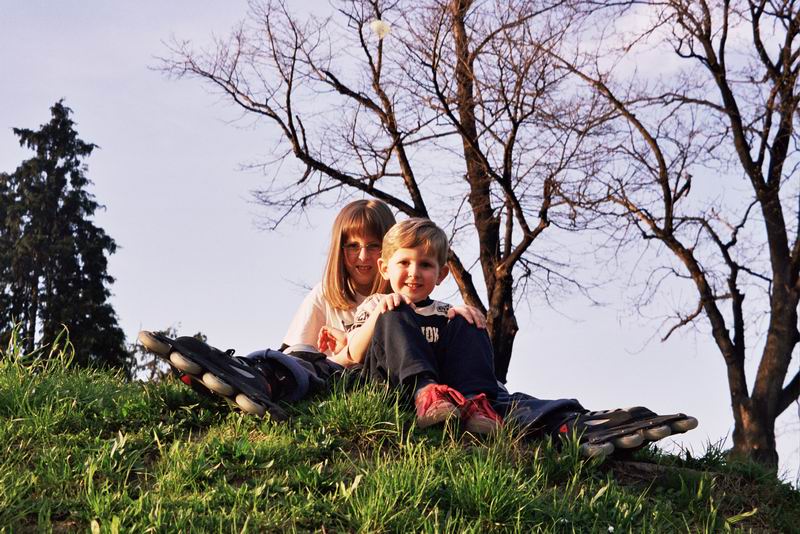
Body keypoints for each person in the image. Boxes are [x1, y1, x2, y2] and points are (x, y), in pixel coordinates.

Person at [332, 217, 698, 458]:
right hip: (397, 389)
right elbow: (351, 355)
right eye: (404, 263)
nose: (414, 273)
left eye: (425, 265)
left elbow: (462, 350)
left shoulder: (445, 313)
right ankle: (425, 390)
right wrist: (380, 315)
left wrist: (467, 319)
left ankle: (545, 416)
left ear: (441, 274)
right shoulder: (379, 305)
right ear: (385, 268)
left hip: (450, 399)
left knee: (469, 321)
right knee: (396, 314)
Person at [138, 200, 484, 419]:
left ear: (386, 253)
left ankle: (260, 380)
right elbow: (299, 349)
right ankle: (252, 375)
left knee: (318, 364)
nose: (363, 257)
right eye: (352, 246)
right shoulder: (327, 296)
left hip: (363, 380)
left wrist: (461, 313)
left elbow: (434, 333)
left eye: (373, 246)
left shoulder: (403, 299)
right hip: (329, 371)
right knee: (304, 354)